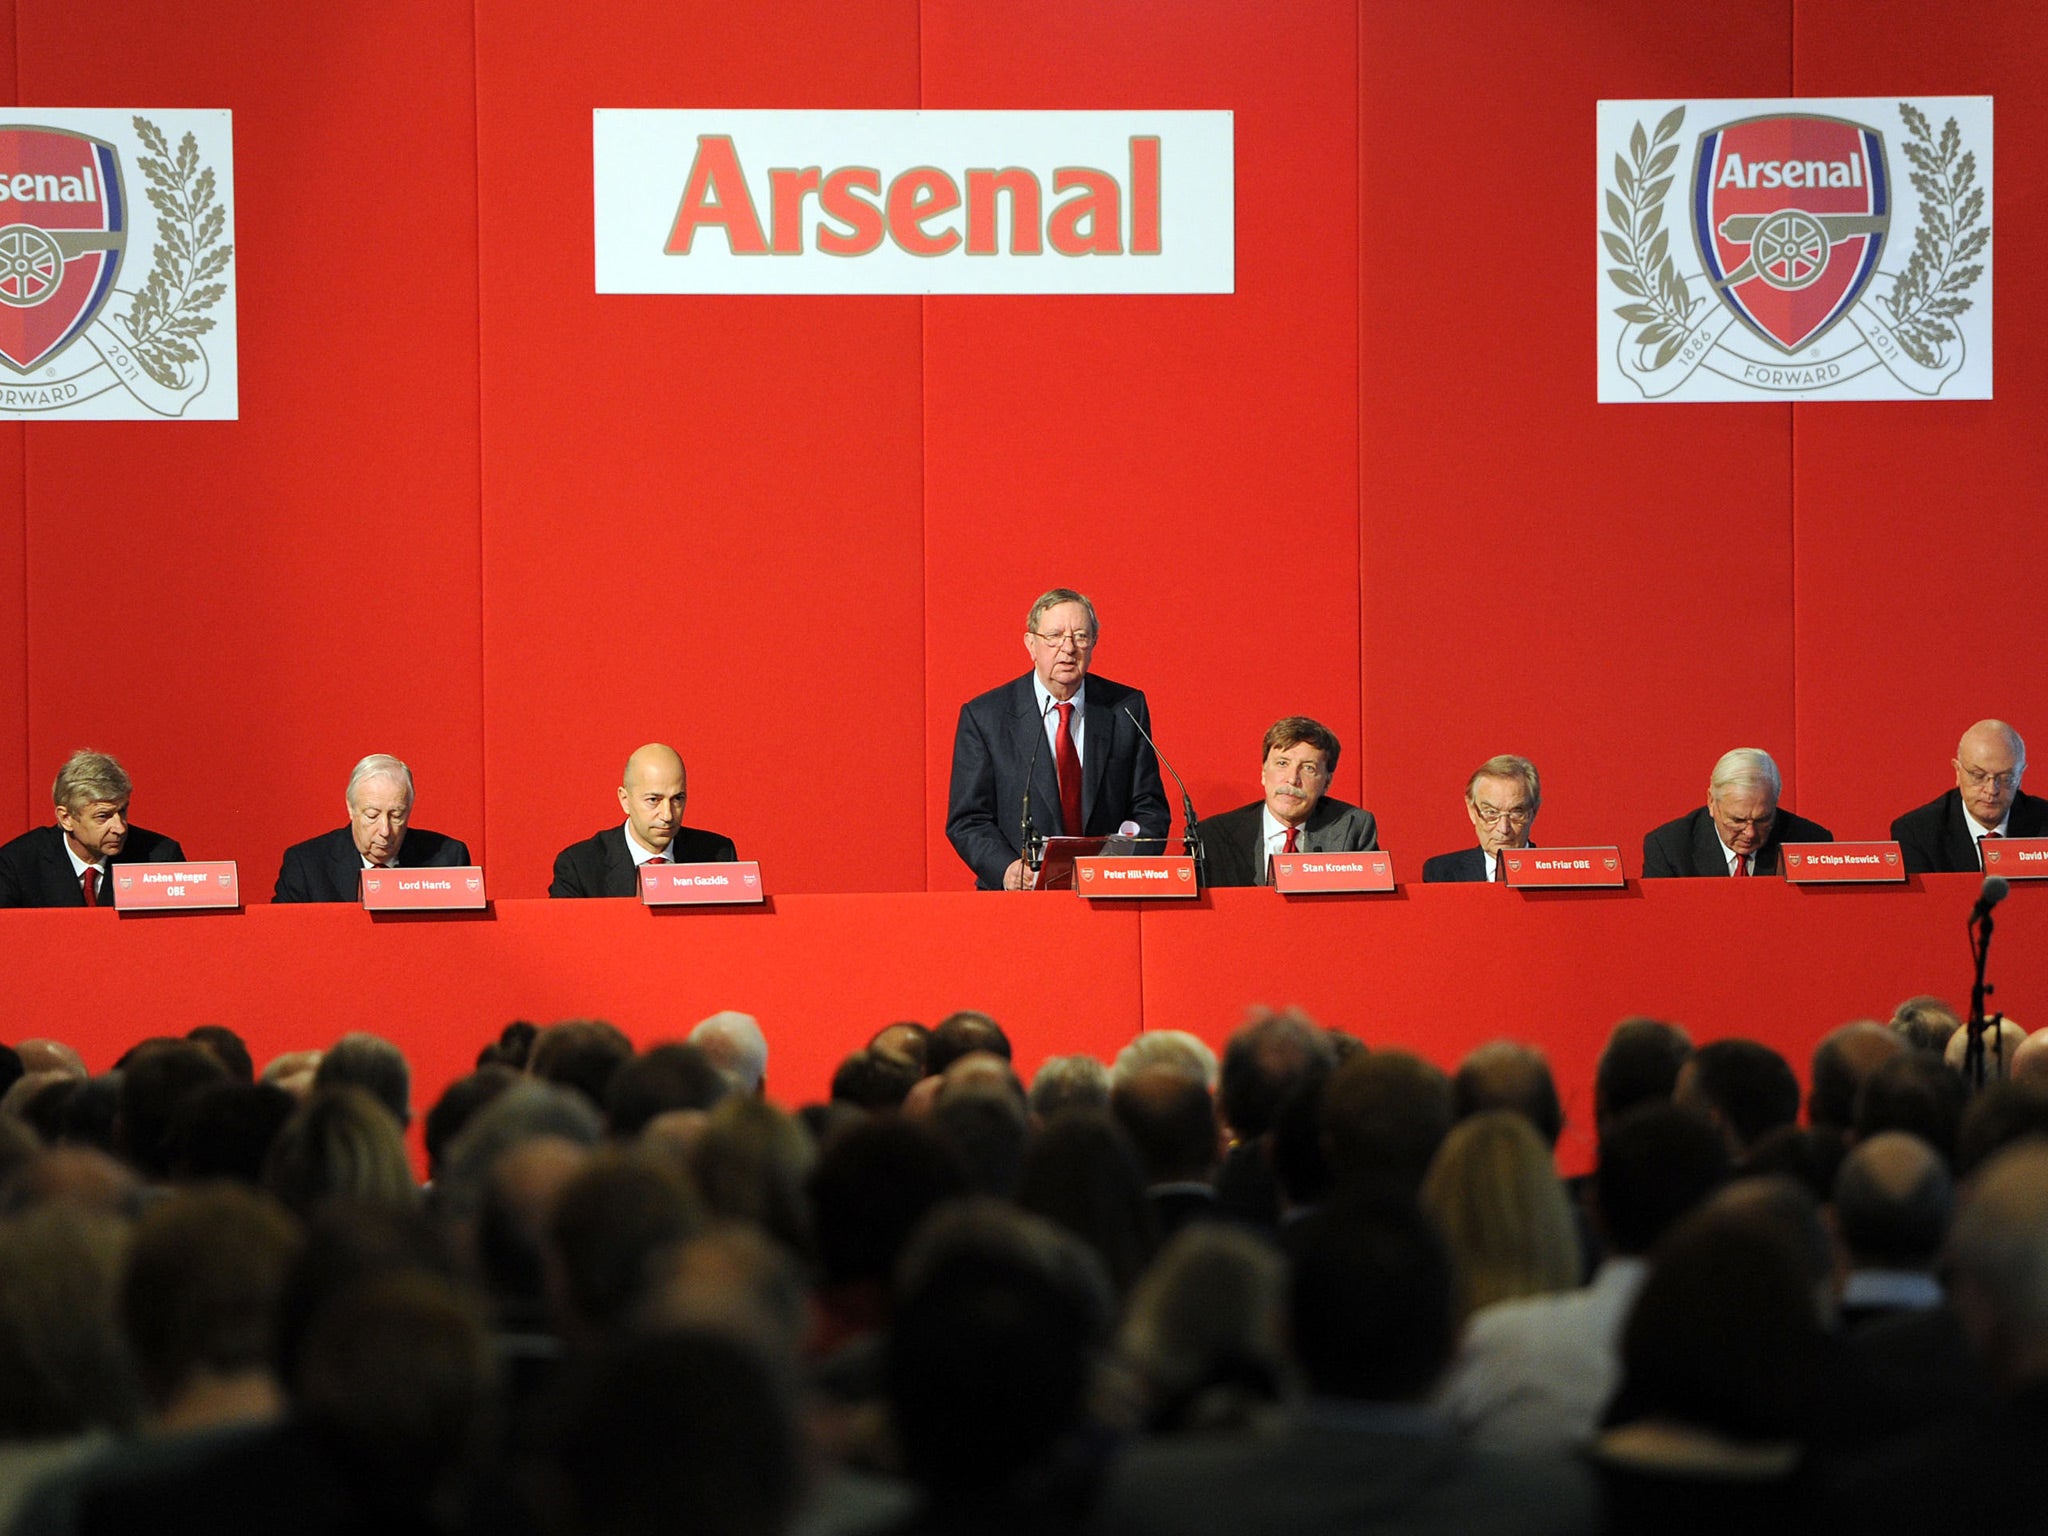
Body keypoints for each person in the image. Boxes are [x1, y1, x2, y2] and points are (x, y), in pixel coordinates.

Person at [945, 587, 1168, 891]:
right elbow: (968, 819)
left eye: (1080, 636)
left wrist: (1124, 866)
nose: (1068, 648)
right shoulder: (986, 717)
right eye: (1054, 636)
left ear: (1093, 645)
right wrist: (1007, 869)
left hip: (1108, 897)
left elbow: (1150, 808)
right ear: (1031, 645)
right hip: (1021, 900)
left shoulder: (1125, 709)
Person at [1200, 718, 1376, 888]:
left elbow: (1369, 909)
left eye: (1308, 768)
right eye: (1282, 763)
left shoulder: (1352, 828)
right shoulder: (1214, 837)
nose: (1292, 779)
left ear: (1327, 782)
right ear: (1263, 772)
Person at [272, 754, 471, 903]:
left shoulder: (448, 860)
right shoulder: (306, 865)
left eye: (396, 815)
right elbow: (284, 940)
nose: (385, 830)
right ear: (351, 808)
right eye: (372, 815)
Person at [0, 751, 183, 908]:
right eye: (103, 816)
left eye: (122, 811)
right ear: (66, 818)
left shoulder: (159, 860)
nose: (120, 828)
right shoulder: (17, 865)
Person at [550, 743, 736, 898]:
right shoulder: (579, 866)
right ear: (625, 800)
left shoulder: (717, 857)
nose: (667, 815)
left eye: (677, 799)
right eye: (653, 800)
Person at [1641, 748, 1831, 877]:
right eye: (1737, 820)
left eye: (1762, 820)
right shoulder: (1669, 847)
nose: (1750, 833)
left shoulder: (1810, 842)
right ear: (1711, 802)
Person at [1890, 719, 2045, 874]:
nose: (1991, 790)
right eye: (1978, 776)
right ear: (1958, 771)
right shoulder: (1918, 833)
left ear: (2020, 776)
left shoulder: (2043, 823)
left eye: (2006, 778)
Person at [1423, 754, 1540, 883]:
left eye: (1515, 813)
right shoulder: (1443, 874)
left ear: (1533, 812)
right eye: (1491, 813)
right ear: (1472, 811)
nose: (1503, 828)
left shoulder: (1557, 873)